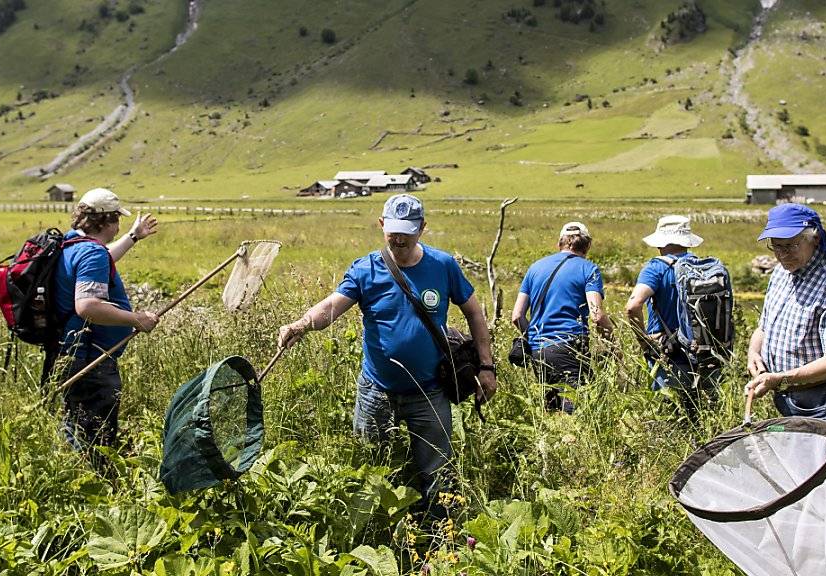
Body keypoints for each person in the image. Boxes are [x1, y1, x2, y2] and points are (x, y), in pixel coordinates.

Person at [277, 194, 496, 517]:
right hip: (376, 392)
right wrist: (302, 324)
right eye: (393, 230)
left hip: (429, 390)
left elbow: (475, 314)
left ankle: (439, 536)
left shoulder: (443, 265)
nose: (399, 238)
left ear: (422, 228)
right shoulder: (365, 268)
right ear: (381, 225)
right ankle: (378, 529)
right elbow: (332, 306)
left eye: (407, 231)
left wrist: (487, 366)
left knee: (437, 472)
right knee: (371, 469)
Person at [745, 203, 826, 449]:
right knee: (798, 464)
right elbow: (765, 325)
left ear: (815, 238)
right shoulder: (781, 272)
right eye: (776, 246)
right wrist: (754, 352)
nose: (782, 254)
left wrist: (778, 379)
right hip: (789, 391)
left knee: (822, 470)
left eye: (790, 245)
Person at [54, 188, 160, 469]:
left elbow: (101, 259)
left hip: (68, 351)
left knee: (75, 421)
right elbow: (87, 305)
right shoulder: (91, 254)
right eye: (117, 221)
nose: (119, 227)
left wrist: (134, 237)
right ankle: (98, 485)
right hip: (91, 356)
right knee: (96, 430)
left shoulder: (72, 245)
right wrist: (135, 318)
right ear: (107, 221)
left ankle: (73, 475)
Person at [511, 221, 612, 413]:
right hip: (570, 347)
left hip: (538, 351)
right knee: (575, 413)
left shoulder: (535, 268)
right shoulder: (588, 269)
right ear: (587, 245)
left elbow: (517, 316)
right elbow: (596, 315)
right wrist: (613, 344)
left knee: (550, 413)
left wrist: (534, 339)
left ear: (560, 243)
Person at [625, 215, 715, 422]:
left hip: (667, 351)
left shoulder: (656, 268)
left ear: (660, 242)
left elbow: (632, 306)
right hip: (701, 350)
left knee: (670, 415)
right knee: (700, 415)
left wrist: (644, 341)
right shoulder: (701, 266)